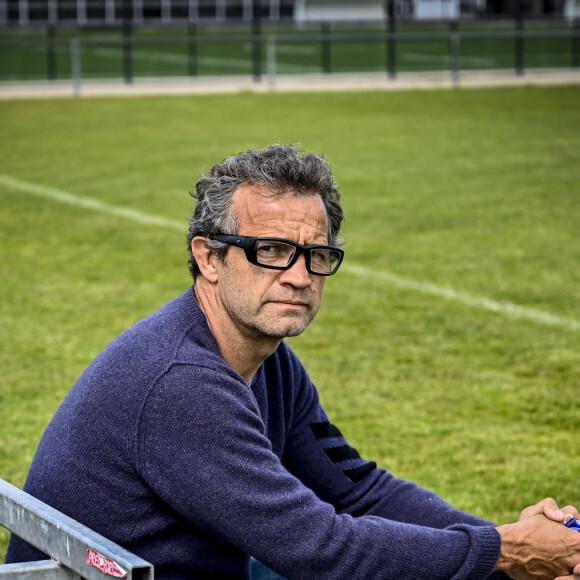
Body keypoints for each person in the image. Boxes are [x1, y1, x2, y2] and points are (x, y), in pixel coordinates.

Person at [7, 145, 580, 580]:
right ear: (209, 257)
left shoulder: (267, 361)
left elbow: (359, 492)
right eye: (272, 251)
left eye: (317, 256)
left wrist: (522, 543)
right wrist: (506, 551)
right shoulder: (181, 382)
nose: (300, 277)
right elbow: (320, 549)